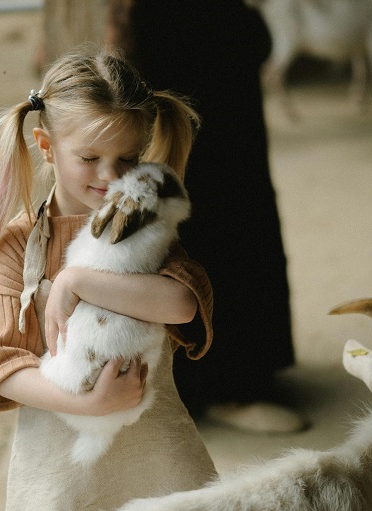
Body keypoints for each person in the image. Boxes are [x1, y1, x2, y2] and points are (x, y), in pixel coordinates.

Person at [0, 46, 217, 510]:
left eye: (127, 159)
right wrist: (91, 405)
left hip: (157, 454)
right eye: (89, 157)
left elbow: (182, 304)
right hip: (59, 464)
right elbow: (1, 365)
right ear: (47, 146)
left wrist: (77, 282)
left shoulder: (147, 229)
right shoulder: (19, 243)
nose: (110, 176)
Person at [105, 0, 306, 434]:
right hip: (189, 82)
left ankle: (246, 375)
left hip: (223, 77)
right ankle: (221, 388)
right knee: (212, 222)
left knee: (244, 217)